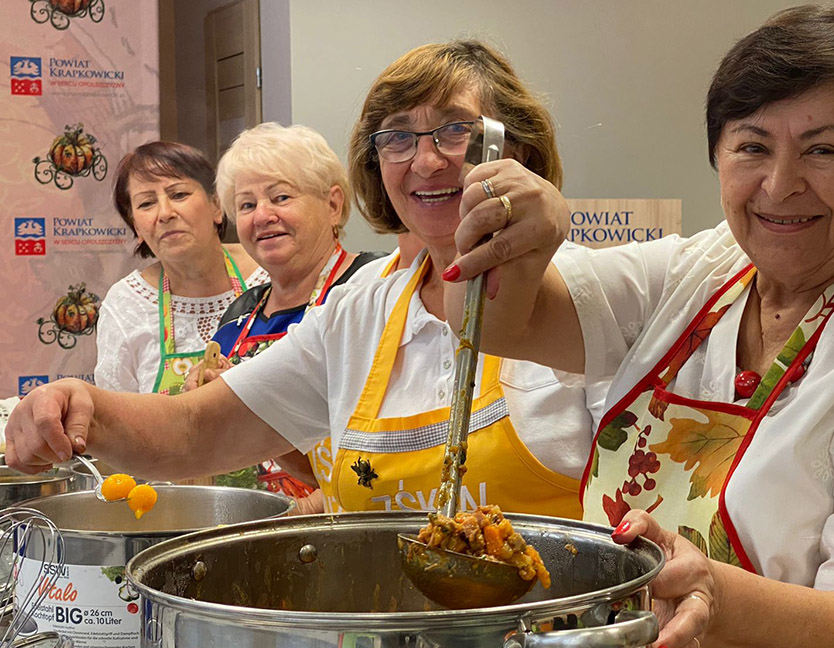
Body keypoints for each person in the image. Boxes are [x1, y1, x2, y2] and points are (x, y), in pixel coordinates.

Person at [441, 6, 834, 647]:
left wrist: (713, 590)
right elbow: (495, 325)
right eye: (752, 147)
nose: (780, 184)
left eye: (822, 150)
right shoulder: (703, 270)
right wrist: (519, 231)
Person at [3, 40, 599, 521]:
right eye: (397, 136)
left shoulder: (589, 299)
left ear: (514, 144)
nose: (424, 161)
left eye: (455, 130)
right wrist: (81, 407)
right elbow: (197, 429)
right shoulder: (358, 313)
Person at [187, 122, 384, 505]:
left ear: (333, 205)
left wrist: (300, 513)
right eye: (246, 205)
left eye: (280, 198)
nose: (262, 216)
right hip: (247, 528)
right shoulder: (238, 316)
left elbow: (387, 454)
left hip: (341, 524)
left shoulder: (374, 288)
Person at [95, 141, 265, 395]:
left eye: (179, 195)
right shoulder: (126, 306)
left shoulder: (270, 275)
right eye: (146, 204)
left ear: (217, 206)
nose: (165, 213)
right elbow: (117, 421)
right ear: (136, 228)